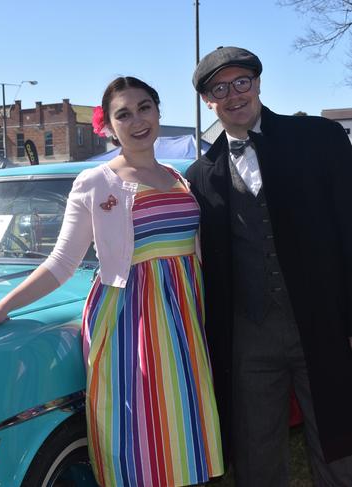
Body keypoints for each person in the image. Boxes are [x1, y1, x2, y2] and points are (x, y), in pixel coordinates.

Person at [0, 76, 224, 487]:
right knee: (138, 433)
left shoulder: (183, 179)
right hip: (130, 320)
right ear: (109, 126)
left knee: (181, 423)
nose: (137, 120)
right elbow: (62, 261)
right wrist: (6, 305)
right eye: (124, 114)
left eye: (145, 108)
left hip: (183, 318)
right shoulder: (95, 181)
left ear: (158, 111)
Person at [186, 46, 352, 486]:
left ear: (258, 83)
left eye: (242, 81)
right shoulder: (201, 174)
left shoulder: (319, 138)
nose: (233, 94)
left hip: (323, 323)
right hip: (248, 339)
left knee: (340, 448)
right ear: (207, 100)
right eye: (219, 88)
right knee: (256, 457)